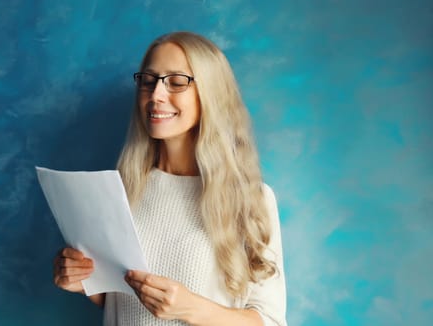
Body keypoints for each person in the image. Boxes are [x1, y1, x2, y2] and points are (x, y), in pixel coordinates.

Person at [53, 31, 287, 325]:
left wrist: (192, 308)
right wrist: (84, 281)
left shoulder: (252, 199)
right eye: (148, 81)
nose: (156, 95)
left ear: (210, 95)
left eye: (177, 82)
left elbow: (271, 321)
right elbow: (121, 304)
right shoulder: (120, 190)